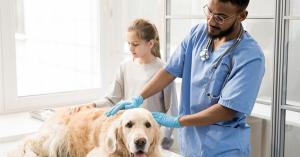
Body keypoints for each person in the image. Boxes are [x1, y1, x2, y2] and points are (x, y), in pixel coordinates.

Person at [106, 0, 265, 156]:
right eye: (209, 11)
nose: (211, 20)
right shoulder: (198, 34)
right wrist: (139, 97)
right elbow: (169, 71)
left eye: (220, 17)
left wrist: (178, 121)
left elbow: (228, 109)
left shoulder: (250, 56)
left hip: (223, 148)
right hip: (191, 144)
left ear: (242, 16)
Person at [71, 18, 178, 149]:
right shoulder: (125, 66)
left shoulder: (164, 70)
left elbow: (171, 110)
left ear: (150, 43)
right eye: (129, 43)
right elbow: (112, 99)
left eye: (135, 44)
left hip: (151, 141)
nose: (131, 48)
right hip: (131, 140)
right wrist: (92, 105)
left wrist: (160, 140)